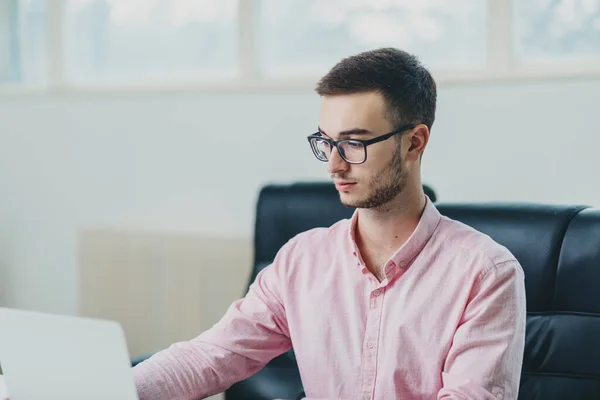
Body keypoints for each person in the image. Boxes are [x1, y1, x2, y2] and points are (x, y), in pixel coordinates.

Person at [129, 48, 527, 399]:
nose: (334, 165)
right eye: (326, 143)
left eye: (354, 143)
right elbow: (211, 357)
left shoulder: (486, 273)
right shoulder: (301, 260)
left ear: (414, 142)